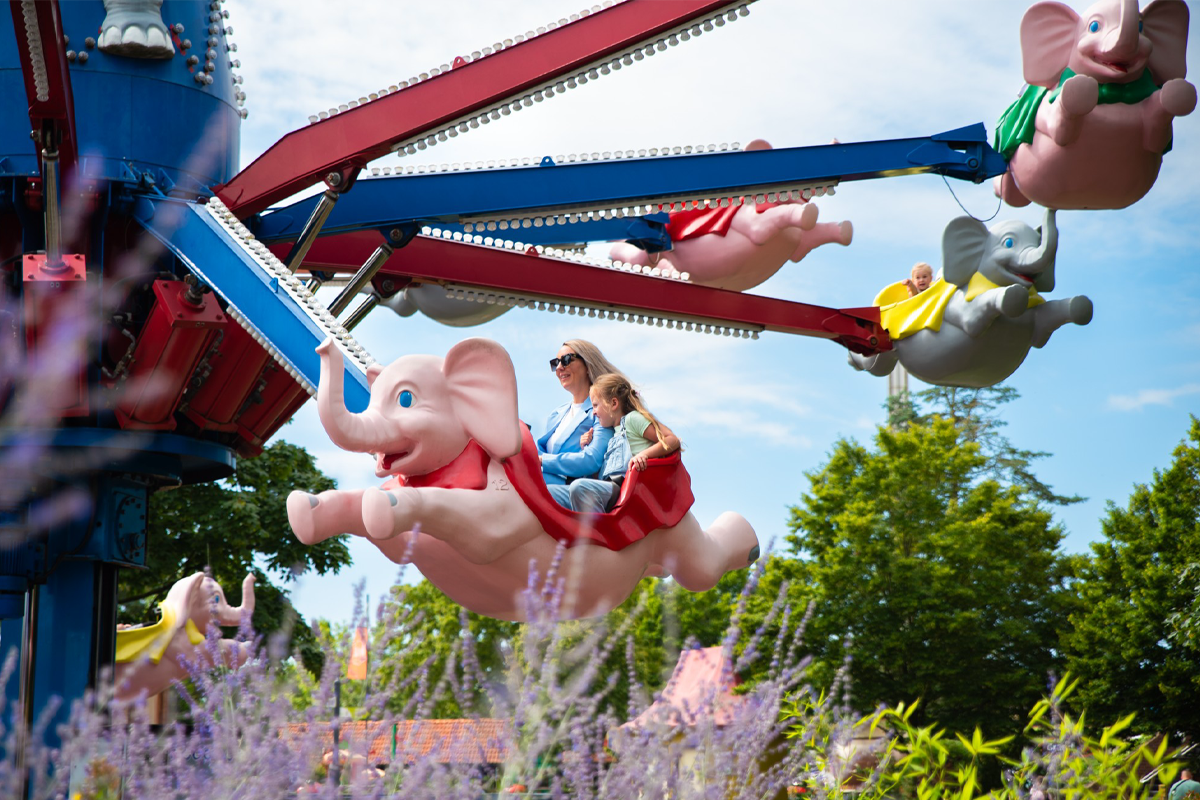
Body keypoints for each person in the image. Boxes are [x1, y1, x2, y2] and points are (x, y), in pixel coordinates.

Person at [552, 372, 681, 513]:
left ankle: (599, 533)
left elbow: (672, 439)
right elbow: (599, 477)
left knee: (580, 487)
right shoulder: (612, 435)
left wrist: (643, 454)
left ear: (614, 403)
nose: (593, 412)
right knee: (550, 492)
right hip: (607, 488)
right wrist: (586, 447)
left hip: (624, 489)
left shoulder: (632, 420)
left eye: (595, 405)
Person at [537, 339, 626, 491]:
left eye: (566, 360)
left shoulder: (601, 411)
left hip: (574, 493)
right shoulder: (555, 415)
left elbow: (592, 460)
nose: (559, 367)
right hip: (541, 481)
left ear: (587, 365)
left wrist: (542, 461)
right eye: (555, 363)